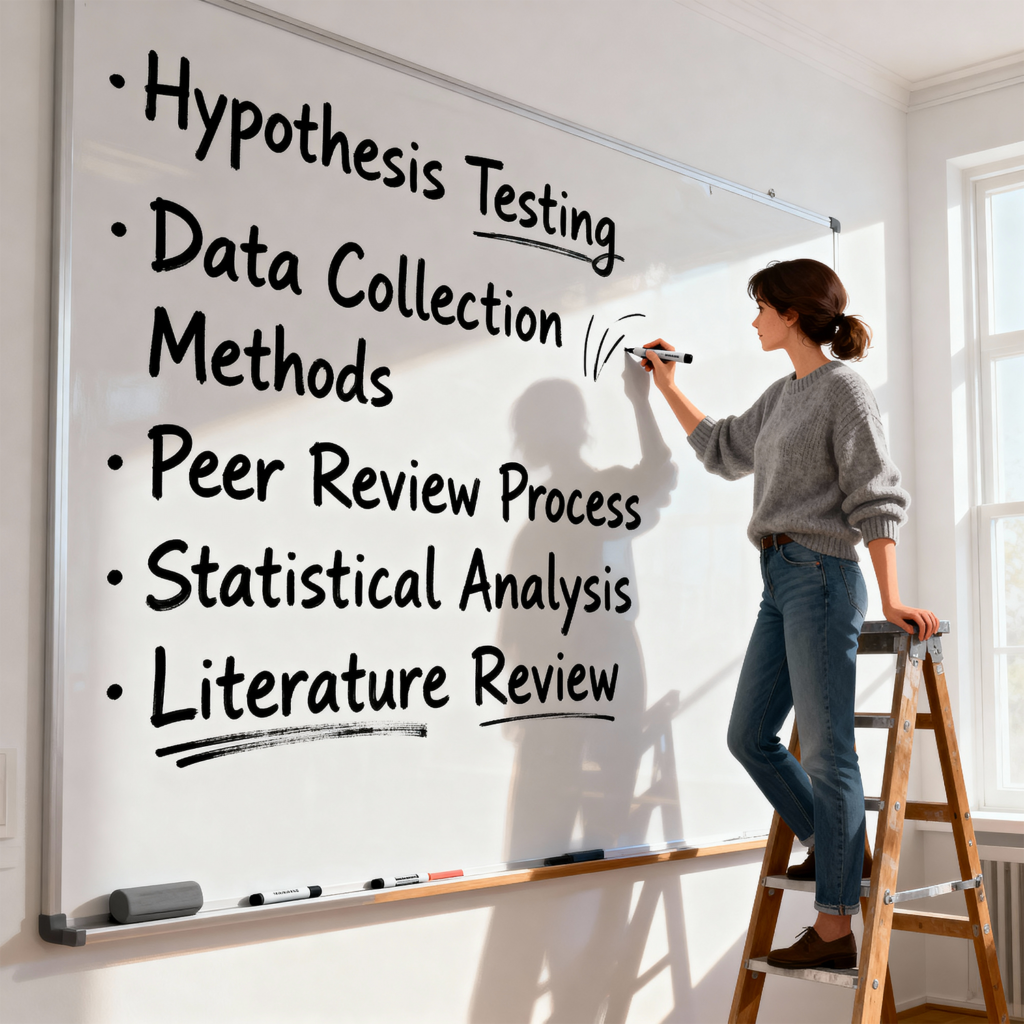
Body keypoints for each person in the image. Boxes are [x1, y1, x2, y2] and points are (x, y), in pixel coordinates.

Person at [640, 258, 939, 971]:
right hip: (778, 577)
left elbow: (875, 494)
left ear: (792, 315)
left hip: (824, 575)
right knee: (748, 735)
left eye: (761, 309)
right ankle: (839, 851)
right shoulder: (781, 397)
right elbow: (721, 450)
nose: (754, 321)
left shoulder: (845, 390)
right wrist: (670, 390)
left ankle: (834, 930)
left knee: (830, 752)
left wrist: (890, 595)